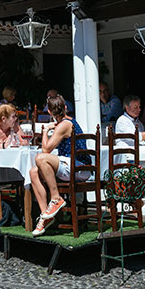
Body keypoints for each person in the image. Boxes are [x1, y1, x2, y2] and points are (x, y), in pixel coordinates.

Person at [28, 95, 89, 236]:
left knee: (41, 158)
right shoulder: (65, 123)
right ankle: (45, 216)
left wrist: (45, 131)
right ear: (65, 107)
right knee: (33, 172)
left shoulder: (64, 125)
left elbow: (46, 149)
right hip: (72, 165)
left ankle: (56, 198)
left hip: (79, 167)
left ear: (49, 112)